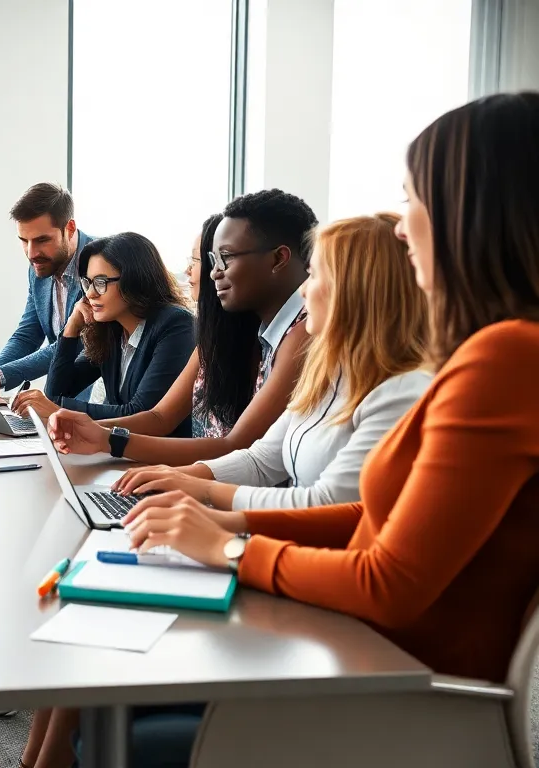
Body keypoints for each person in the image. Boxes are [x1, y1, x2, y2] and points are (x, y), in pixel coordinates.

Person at [115, 91, 539, 767]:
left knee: (122, 729)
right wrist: (227, 522)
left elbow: (389, 582)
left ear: (469, 212)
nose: (401, 229)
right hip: (363, 658)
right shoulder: (484, 355)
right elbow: (372, 518)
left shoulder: (503, 359)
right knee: (122, 695)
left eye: (413, 200)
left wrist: (229, 548)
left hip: (397, 693)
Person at [113, 213, 430, 509]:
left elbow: (326, 502)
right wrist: (180, 477)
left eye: (315, 275)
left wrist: (205, 498)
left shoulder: (402, 392)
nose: (303, 291)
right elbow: (260, 460)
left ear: (358, 290)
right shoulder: (329, 373)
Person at [47, 189, 319, 466]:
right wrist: (90, 430)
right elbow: (160, 417)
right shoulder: (247, 335)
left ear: (278, 259)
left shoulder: (300, 332)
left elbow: (238, 448)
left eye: (223, 258)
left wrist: (108, 439)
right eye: (210, 260)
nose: (213, 272)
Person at [11, 232, 194, 436]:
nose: (90, 293)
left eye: (100, 282)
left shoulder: (175, 324)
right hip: (116, 450)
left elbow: (141, 413)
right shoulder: (111, 329)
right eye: (88, 283)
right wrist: (71, 328)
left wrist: (58, 410)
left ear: (135, 280)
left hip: (161, 453)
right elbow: (57, 392)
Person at [0, 183, 92, 392]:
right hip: (63, 392)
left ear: (70, 228)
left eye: (42, 240)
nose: (31, 253)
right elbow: (28, 334)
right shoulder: (41, 266)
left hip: (98, 397)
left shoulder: (100, 265)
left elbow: (75, 343)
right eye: (24, 241)